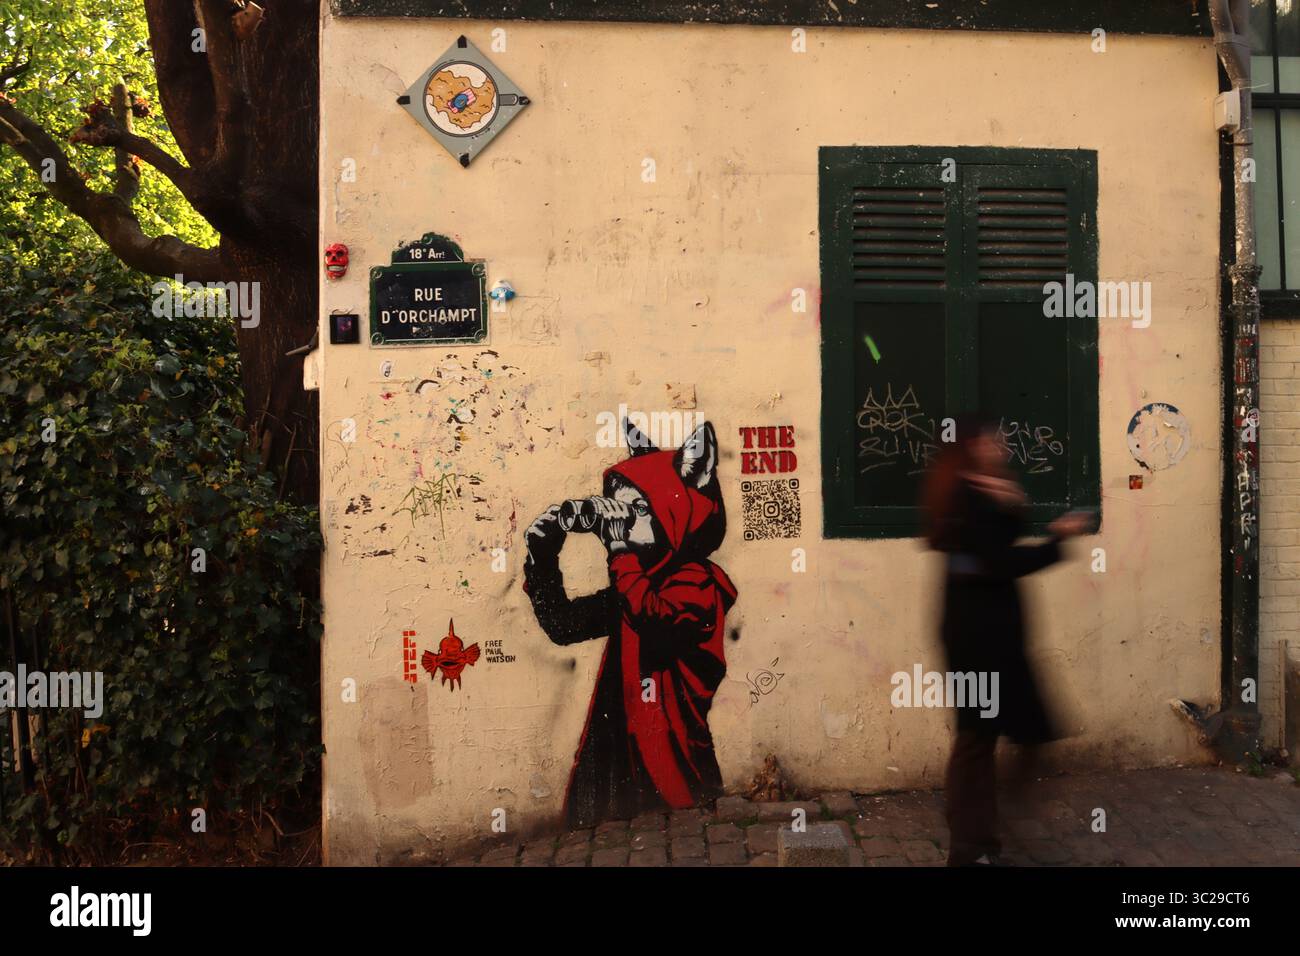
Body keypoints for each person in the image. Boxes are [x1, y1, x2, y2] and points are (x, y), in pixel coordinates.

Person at [921, 415, 1093, 866]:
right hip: (975, 639)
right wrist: (1058, 538)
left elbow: (1000, 543)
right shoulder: (962, 496)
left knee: (1026, 731)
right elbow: (999, 561)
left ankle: (986, 827)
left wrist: (1012, 503)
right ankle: (970, 846)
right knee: (977, 740)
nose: (1002, 447)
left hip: (996, 636)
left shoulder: (982, 488)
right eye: (994, 440)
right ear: (973, 446)